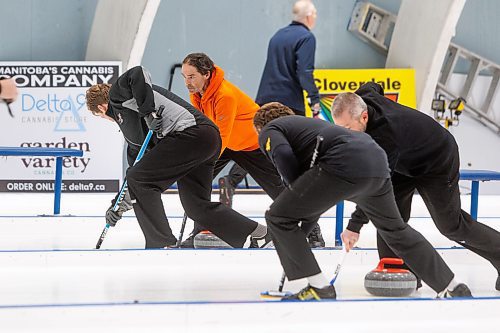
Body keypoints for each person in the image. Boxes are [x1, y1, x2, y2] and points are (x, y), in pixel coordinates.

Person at [254, 102, 472, 301]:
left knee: (277, 216)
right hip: (376, 161)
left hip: (343, 162)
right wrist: (298, 233)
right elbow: (310, 206)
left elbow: (281, 152)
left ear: (259, 127)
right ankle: (451, 286)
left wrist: (293, 191)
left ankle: (319, 287)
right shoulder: (310, 129)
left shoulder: (271, 129)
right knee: (395, 230)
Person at [331, 82, 500, 292]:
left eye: (348, 129)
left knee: (451, 225)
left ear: (364, 117)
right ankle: (400, 271)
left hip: (436, 159)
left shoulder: (386, 136)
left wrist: (354, 227)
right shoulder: (363, 97)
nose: (346, 134)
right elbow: (374, 85)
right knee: (389, 215)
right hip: (405, 161)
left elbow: (376, 184)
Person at [85, 66, 271, 249]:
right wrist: (117, 206)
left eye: (100, 116)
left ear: (102, 108)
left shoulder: (119, 94)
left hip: (192, 133)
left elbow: (137, 73)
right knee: (195, 206)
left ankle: (161, 242)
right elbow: (136, 178)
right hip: (202, 141)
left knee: (139, 178)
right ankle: (259, 233)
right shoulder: (133, 137)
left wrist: (148, 113)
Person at [221, 0, 326, 248]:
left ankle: (233, 179)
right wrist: (315, 101)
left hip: (264, 98)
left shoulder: (278, 35)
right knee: (290, 157)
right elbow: (304, 72)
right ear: (309, 16)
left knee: (259, 147)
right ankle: (307, 222)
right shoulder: (306, 37)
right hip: (287, 102)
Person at [179, 52, 288, 248]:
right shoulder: (197, 93)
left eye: (191, 76)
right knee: (197, 182)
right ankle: (199, 230)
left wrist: (202, 160)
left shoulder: (224, 96)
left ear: (206, 74)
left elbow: (221, 136)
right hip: (226, 143)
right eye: (185, 76)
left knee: (277, 189)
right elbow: (205, 127)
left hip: (250, 144)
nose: (187, 82)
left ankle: (312, 232)